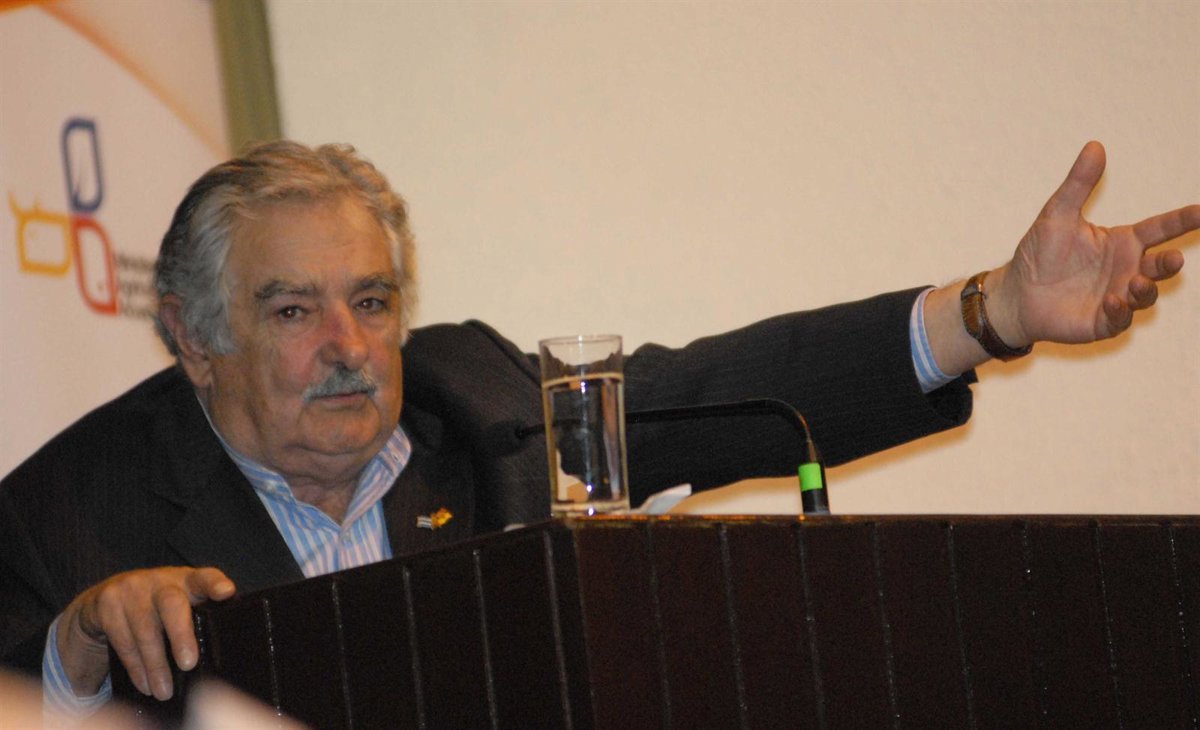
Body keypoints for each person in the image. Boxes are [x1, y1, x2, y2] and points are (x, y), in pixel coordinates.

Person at [0, 140, 1195, 717]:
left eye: (371, 300)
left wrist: (994, 311)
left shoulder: (481, 406)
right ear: (193, 337)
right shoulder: (67, 515)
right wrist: (76, 659)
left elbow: (729, 390)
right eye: (294, 310)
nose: (352, 345)